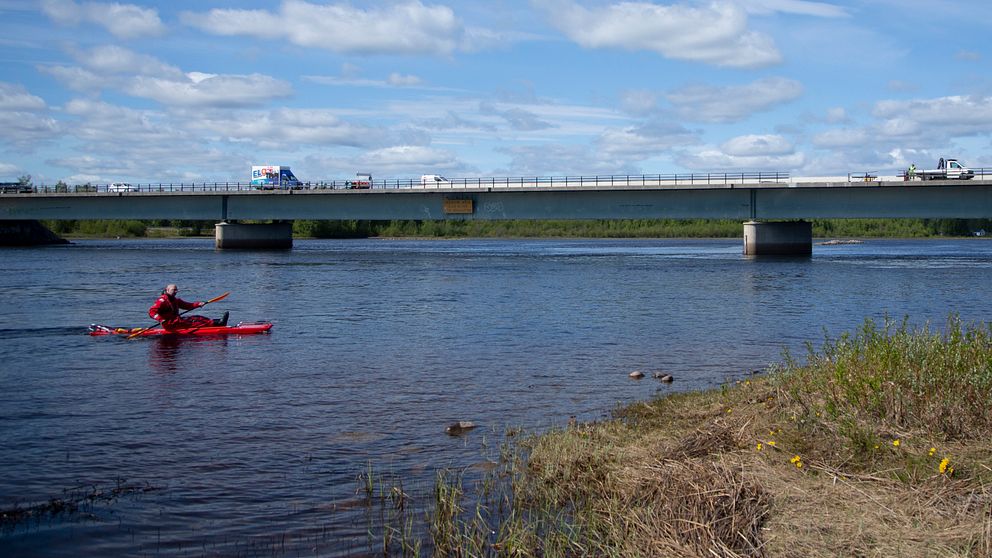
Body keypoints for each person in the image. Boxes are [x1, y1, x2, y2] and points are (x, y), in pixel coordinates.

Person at [149, 284, 228, 329]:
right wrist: (160, 319)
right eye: (174, 290)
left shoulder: (175, 300)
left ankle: (218, 322)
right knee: (195, 322)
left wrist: (198, 304)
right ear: (167, 290)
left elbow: (188, 305)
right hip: (170, 324)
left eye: (176, 290)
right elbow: (151, 312)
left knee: (197, 317)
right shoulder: (162, 301)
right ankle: (219, 323)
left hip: (176, 321)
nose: (176, 292)